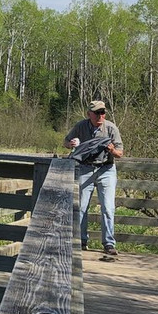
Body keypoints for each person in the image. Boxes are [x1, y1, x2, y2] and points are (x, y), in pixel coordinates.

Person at [64, 100, 124, 255]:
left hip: (106, 169)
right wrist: (70, 144)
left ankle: (109, 244)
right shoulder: (81, 126)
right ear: (89, 114)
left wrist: (111, 149)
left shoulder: (111, 128)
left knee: (108, 208)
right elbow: (66, 142)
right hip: (86, 167)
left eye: (102, 112)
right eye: (97, 112)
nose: (100, 115)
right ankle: (81, 241)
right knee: (82, 207)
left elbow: (120, 153)